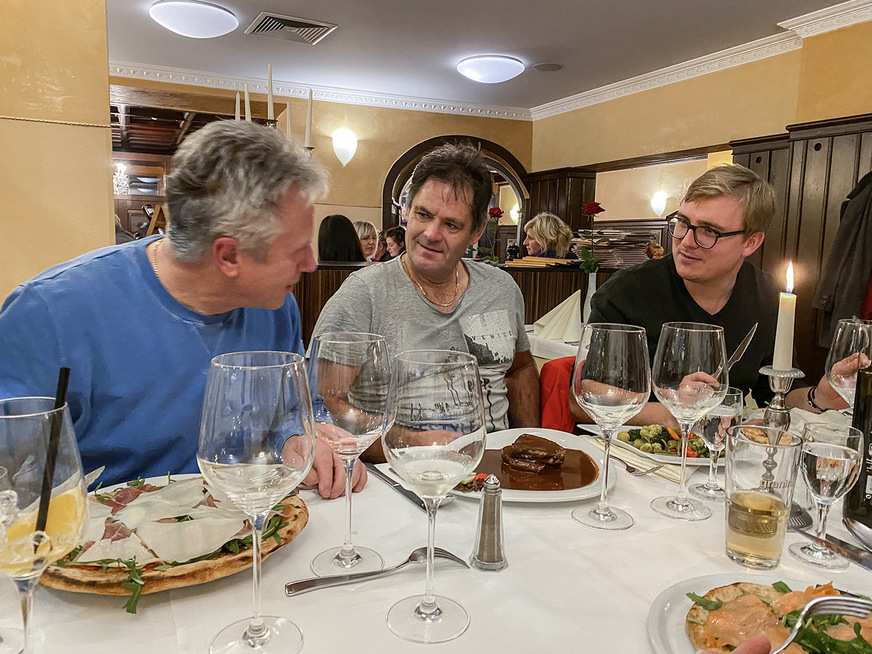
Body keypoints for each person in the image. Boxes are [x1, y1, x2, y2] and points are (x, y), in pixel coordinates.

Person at [0, 121, 365, 498]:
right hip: (101, 547)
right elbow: (13, 478)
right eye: (297, 250)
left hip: (252, 527)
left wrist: (296, 438)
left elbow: (293, 411)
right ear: (228, 255)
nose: (310, 264)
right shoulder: (48, 314)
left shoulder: (274, 306)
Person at [572, 164, 847, 426]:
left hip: (719, 456)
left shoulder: (766, 297)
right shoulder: (628, 291)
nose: (686, 242)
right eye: (682, 223)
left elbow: (774, 394)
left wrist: (819, 397)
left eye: (709, 231)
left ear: (751, 242)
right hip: (630, 455)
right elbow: (585, 398)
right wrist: (674, 411)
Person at [311, 142, 540, 449]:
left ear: (476, 232)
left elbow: (520, 368)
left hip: (496, 470)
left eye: (451, 224)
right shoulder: (362, 294)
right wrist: (413, 443)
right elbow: (323, 408)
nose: (431, 233)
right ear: (406, 211)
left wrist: (530, 442)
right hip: (398, 477)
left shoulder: (501, 288)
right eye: (423, 214)